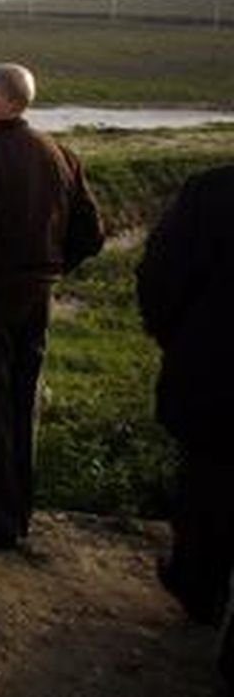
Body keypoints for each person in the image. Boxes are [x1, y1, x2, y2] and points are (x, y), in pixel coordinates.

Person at [0, 63, 104, 549]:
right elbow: (91, 235)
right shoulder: (59, 154)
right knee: (20, 402)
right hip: (36, 299)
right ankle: (15, 512)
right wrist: (48, 271)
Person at [136, 164, 234, 686]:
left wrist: (181, 336)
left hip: (220, 375)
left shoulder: (213, 190)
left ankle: (200, 586)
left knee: (210, 481)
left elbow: (160, 276)